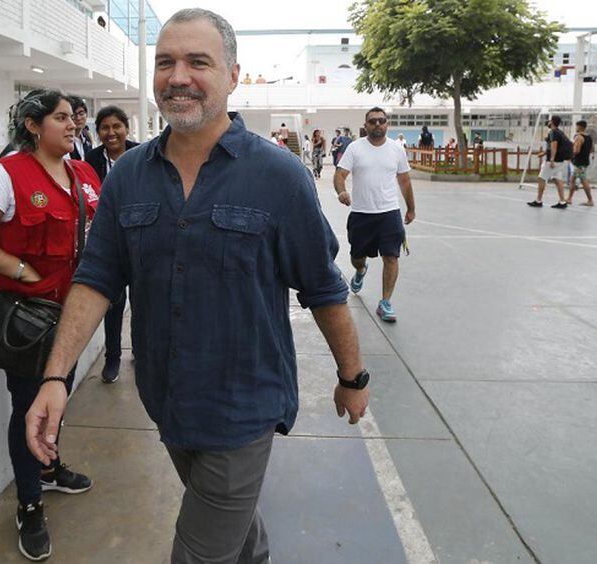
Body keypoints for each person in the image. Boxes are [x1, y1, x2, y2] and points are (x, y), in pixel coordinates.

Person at [26, 9, 368, 563]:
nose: (178, 76)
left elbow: (323, 289)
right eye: (165, 62)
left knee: (199, 551)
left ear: (232, 75)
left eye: (197, 62)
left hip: (242, 407)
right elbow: (96, 279)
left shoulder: (279, 176)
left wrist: (352, 376)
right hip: (165, 399)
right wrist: (55, 376)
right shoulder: (129, 175)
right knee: (234, 529)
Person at [0, 89, 101, 562]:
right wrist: (19, 269)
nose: (73, 124)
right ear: (33, 126)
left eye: (74, 117)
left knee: (59, 395)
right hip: (28, 321)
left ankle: (49, 470)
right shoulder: (5, 174)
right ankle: (29, 503)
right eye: (60, 118)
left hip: (71, 317)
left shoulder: (84, 173)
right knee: (28, 409)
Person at [334, 107, 416, 323]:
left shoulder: (396, 149)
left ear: (387, 124)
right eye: (373, 121)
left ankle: (385, 302)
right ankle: (361, 270)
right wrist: (342, 191)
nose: (377, 124)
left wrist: (411, 208)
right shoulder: (355, 148)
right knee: (356, 257)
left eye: (381, 120)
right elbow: (340, 174)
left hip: (389, 213)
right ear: (366, 125)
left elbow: (404, 180)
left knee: (391, 256)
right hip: (361, 214)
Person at [84, 105, 140, 384]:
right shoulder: (90, 160)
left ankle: (140, 350)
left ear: (126, 128)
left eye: (116, 126)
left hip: (140, 237)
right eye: (105, 128)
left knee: (142, 300)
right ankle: (112, 357)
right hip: (110, 240)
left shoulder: (142, 155)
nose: (111, 132)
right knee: (113, 302)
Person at [527, 115, 572, 209]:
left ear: (552, 122)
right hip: (560, 160)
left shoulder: (553, 132)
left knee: (541, 178)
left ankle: (538, 201)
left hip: (553, 161)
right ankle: (562, 202)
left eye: (550, 121)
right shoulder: (560, 132)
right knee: (557, 179)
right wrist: (544, 153)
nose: (548, 122)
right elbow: (555, 147)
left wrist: (551, 159)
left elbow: (554, 146)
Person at [566, 120, 594, 206]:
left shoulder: (578, 137)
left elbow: (576, 150)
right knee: (572, 179)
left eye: (576, 126)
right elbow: (592, 149)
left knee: (583, 180)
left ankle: (590, 200)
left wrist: (570, 152)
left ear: (579, 127)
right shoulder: (589, 137)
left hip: (578, 162)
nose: (576, 128)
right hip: (584, 161)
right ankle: (569, 198)